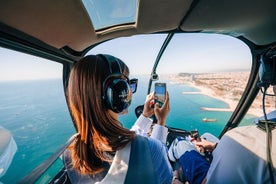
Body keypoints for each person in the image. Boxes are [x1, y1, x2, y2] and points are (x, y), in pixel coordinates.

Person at [65, 54, 173, 184]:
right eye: (127, 84)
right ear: (117, 92)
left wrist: (144, 116)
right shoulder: (151, 148)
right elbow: (155, 156)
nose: (130, 91)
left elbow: (125, 146)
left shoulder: (71, 151)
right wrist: (161, 122)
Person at [168, 124, 276, 184]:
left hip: (206, 180)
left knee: (180, 142)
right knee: (206, 136)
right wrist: (215, 147)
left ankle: (172, 154)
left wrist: (175, 180)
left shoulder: (241, 135)